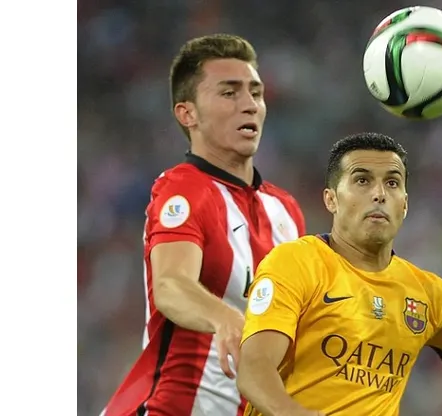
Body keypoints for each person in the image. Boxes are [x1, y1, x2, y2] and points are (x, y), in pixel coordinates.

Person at [236, 132, 442, 416]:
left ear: (405, 204)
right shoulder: (296, 262)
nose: (379, 193)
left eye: (392, 183)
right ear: (331, 200)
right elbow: (254, 369)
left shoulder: (427, 293)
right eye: (362, 180)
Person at [101, 34, 306, 416]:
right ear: (188, 114)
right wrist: (223, 317)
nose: (249, 104)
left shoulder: (286, 211)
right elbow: (170, 285)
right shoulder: (185, 189)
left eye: (255, 93)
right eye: (229, 93)